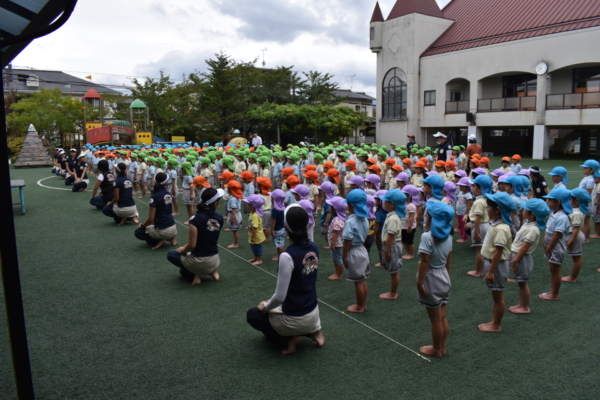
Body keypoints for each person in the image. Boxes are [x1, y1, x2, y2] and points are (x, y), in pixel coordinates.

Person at [246, 204, 324, 356]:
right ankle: (315, 332)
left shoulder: (287, 256)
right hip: (313, 314)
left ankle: (291, 338)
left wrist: (266, 307)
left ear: (286, 228)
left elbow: (280, 297)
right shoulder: (313, 247)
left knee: (253, 314)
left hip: (294, 317)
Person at [416, 202, 453, 358]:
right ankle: (442, 347)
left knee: (436, 320)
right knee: (443, 316)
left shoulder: (427, 237)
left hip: (431, 278)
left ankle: (436, 350)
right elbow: (448, 261)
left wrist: (419, 282)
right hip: (444, 276)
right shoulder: (449, 237)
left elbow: (425, 262)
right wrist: (447, 278)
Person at [167, 187, 224, 285]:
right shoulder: (220, 217)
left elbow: (192, 245)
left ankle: (196, 274)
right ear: (215, 203)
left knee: (172, 255)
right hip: (214, 259)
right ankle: (212, 271)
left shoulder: (195, 219)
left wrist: (182, 250)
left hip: (200, 259)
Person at [479, 192, 515, 332]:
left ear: (497, 209)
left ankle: (496, 325)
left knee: (498, 297)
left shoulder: (501, 228)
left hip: (497, 266)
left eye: (488, 207)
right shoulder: (495, 224)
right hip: (493, 264)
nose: (486, 209)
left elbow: (498, 252)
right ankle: (494, 321)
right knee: (496, 296)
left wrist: (491, 272)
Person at [508, 199, 549, 314]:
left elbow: (524, 247)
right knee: (520, 283)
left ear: (532, 214)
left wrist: (515, 260)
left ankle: (525, 307)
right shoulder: (528, 224)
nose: (522, 210)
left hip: (522, 258)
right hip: (518, 256)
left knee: (522, 283)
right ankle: (521, 304)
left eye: (525, 209)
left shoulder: (533, 229)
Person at [540, 188, 572, 301]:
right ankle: (552, 291)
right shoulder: (554, 213)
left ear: (558, 202)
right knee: (552, 270)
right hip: (550, 246)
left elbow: (557, 235)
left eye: (549, 200)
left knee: (556, 270)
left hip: (555, 246)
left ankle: (554, 294)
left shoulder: (562, 217)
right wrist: (545, 243)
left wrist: (549, 247)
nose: (547, 202)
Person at [342, 190, 371, 313]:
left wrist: (344, 256)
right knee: (362, 280)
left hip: (353, 252)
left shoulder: (350, 221)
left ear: (352, 206)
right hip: (362, 249)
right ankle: (363, 304)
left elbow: (347, 240)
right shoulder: (365, 219)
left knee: (358, 282)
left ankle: (359, 306)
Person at [135, 172, 178, 249]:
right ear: (166, 182)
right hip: (173, 227)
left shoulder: (154, 196)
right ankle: (171, 237)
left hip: (163, 229)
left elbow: (150, 219)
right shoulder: (169, 194)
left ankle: (160, 240)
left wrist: (142, 225)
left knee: (138, 232)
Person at [378, 189, 406, 300]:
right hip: (392, 246)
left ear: (392, 204)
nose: (383, 203)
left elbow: (391, 236)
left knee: (394, 271)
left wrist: (387, 251)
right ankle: (393, 291)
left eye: (385, 201)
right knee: (393, 270)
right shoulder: (392, 215)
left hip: (392, 246)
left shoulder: (393, 218)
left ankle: (393, 293)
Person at [562, 188, 591, 283]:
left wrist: (571, 241)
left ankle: (573, 277)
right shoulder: (574, 210)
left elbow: (576, 228)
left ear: (576, 200)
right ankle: (572, 276)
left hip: (574, 237)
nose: (569, 200)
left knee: (577, 258)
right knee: (576, 257)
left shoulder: (576, 213)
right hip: (573, 236)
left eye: (571, 198)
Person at [465, 175, 492, 277]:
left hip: (480, 226)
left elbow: (478, 218)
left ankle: (478, 271)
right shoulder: (487, 199)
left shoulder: (479, 201)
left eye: (474, 186)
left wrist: (475, 232)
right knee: (486, 249)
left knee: (479, 251)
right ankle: (487, 270)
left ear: (481, 188)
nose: (472, 188)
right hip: (487, 225)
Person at [245, 194, 266, 266]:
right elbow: (252, 224)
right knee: (253, 247)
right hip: (253, 234)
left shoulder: (255, 215)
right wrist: (248, 227)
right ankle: (255, 258)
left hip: (256, 235)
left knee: (257, 248)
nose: (247, 205)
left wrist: (253, 237)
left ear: (253, 206)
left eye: (248, 204)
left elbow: (255, 227)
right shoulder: (253, 213)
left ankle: (259, 259)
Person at [224, 180, 243, 249]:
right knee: (235, 230)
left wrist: (232, 218)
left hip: (234, 215)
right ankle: (235, 243)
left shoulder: (233, 199)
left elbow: (234, 209)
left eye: (228, 189)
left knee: (235, 231)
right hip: (237, 214)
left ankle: (235, 244)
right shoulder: (237, 197)